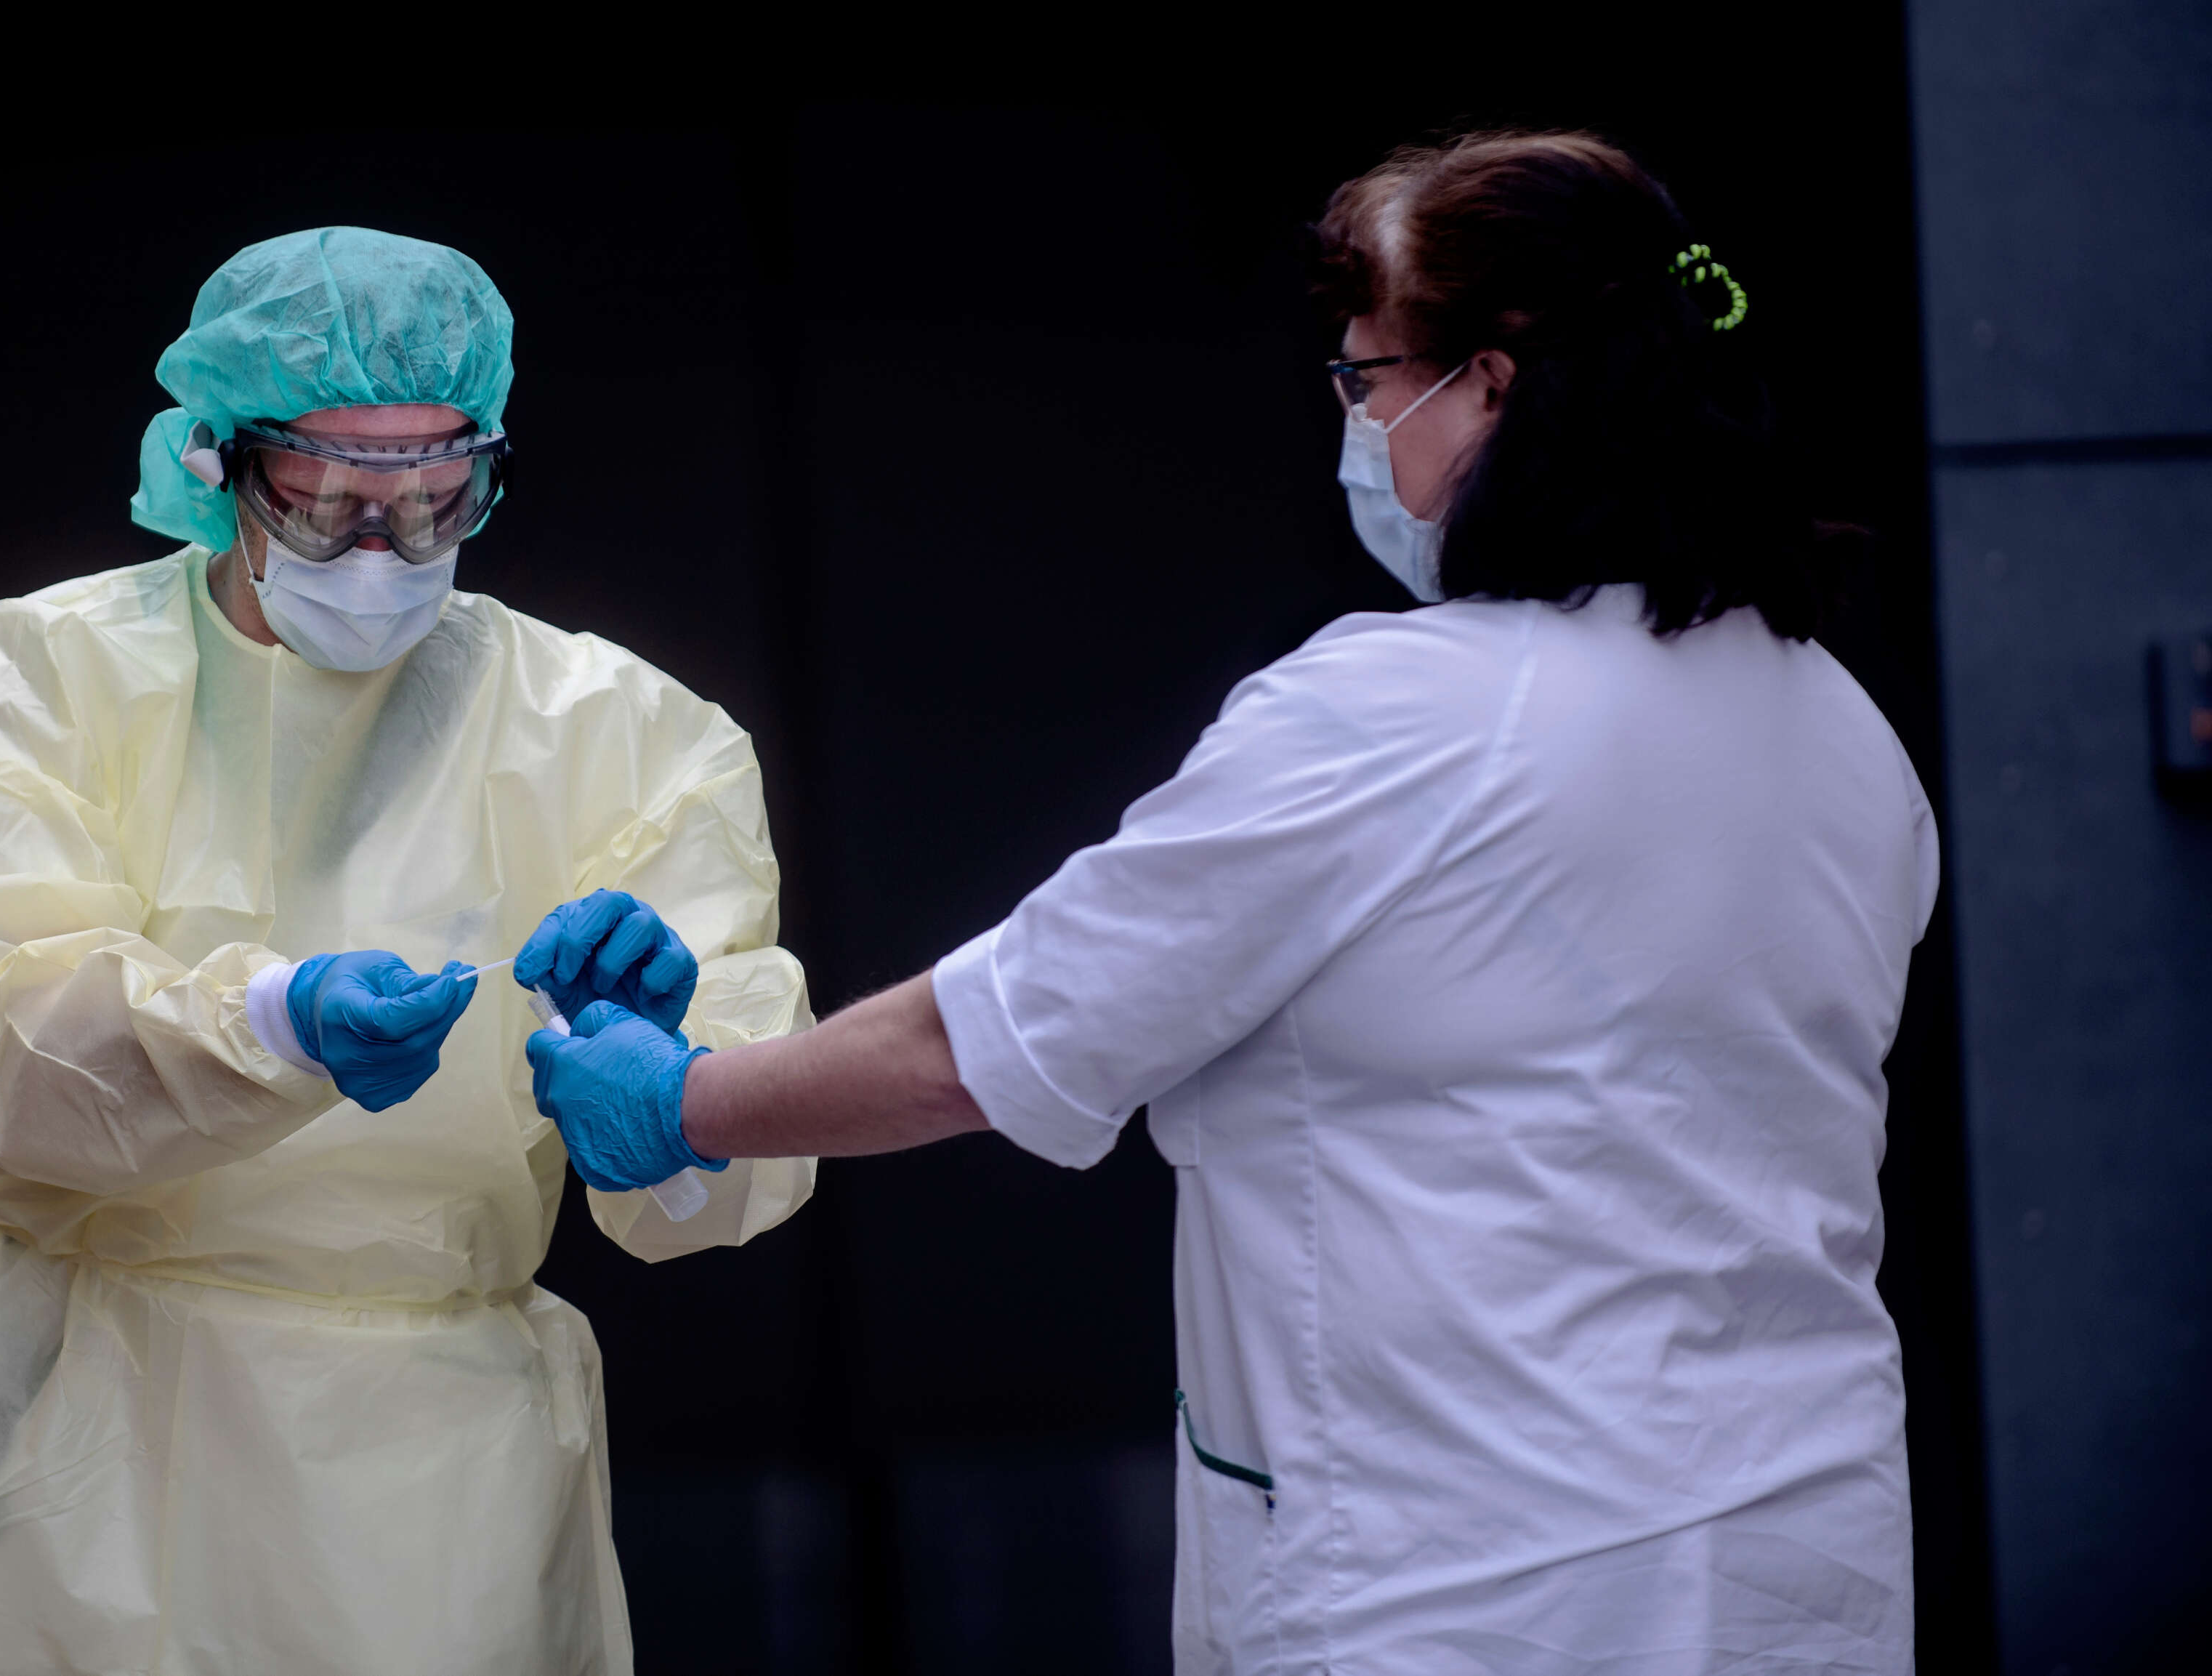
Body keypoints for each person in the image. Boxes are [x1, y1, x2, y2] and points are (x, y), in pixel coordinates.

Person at [529, 133, 1937, 1669]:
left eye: (1364, 378)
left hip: (1472, 1582)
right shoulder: (1837, 730)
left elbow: (996, 1039)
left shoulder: (1403, 711)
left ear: (1490, 383)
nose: (1353, 424)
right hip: (1806, 1557)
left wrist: (682, 1100)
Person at [0, 227, 816, 1676]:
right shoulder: (42, 676)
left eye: (434, 499)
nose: (383, 552)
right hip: (68, 1451)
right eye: (330, 498)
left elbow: (723, 1166)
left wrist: (675, 1096)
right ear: (219, 461)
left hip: (430, 1484)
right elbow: (4, 1031)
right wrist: (276, 1021)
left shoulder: (626, 737)